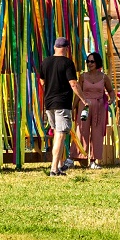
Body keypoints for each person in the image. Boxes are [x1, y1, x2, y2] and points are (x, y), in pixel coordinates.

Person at [36, 37, 80, 176]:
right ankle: (54, 169)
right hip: (62, 103)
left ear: (55, 47)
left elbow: (42, 81)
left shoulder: (45, 62)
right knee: (61, 135)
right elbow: (73, 83)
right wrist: (84, 99)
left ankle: (60, 165)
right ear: (67, 49)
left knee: (56, 132)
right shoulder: (67, 63)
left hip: (49, 103)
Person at [75, 51, 113, 168]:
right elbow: (78, 93)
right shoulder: (83, 76)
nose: (89, 64)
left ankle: (93, 161)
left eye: (92, 61)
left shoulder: (104, 77)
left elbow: (111, 90)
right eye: (88, 61)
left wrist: (112, 99)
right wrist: (73, 107)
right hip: (84, 106)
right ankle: (80, 157)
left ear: (97, 63)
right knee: (82, 130)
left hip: (99, 107)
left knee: (97, 133)